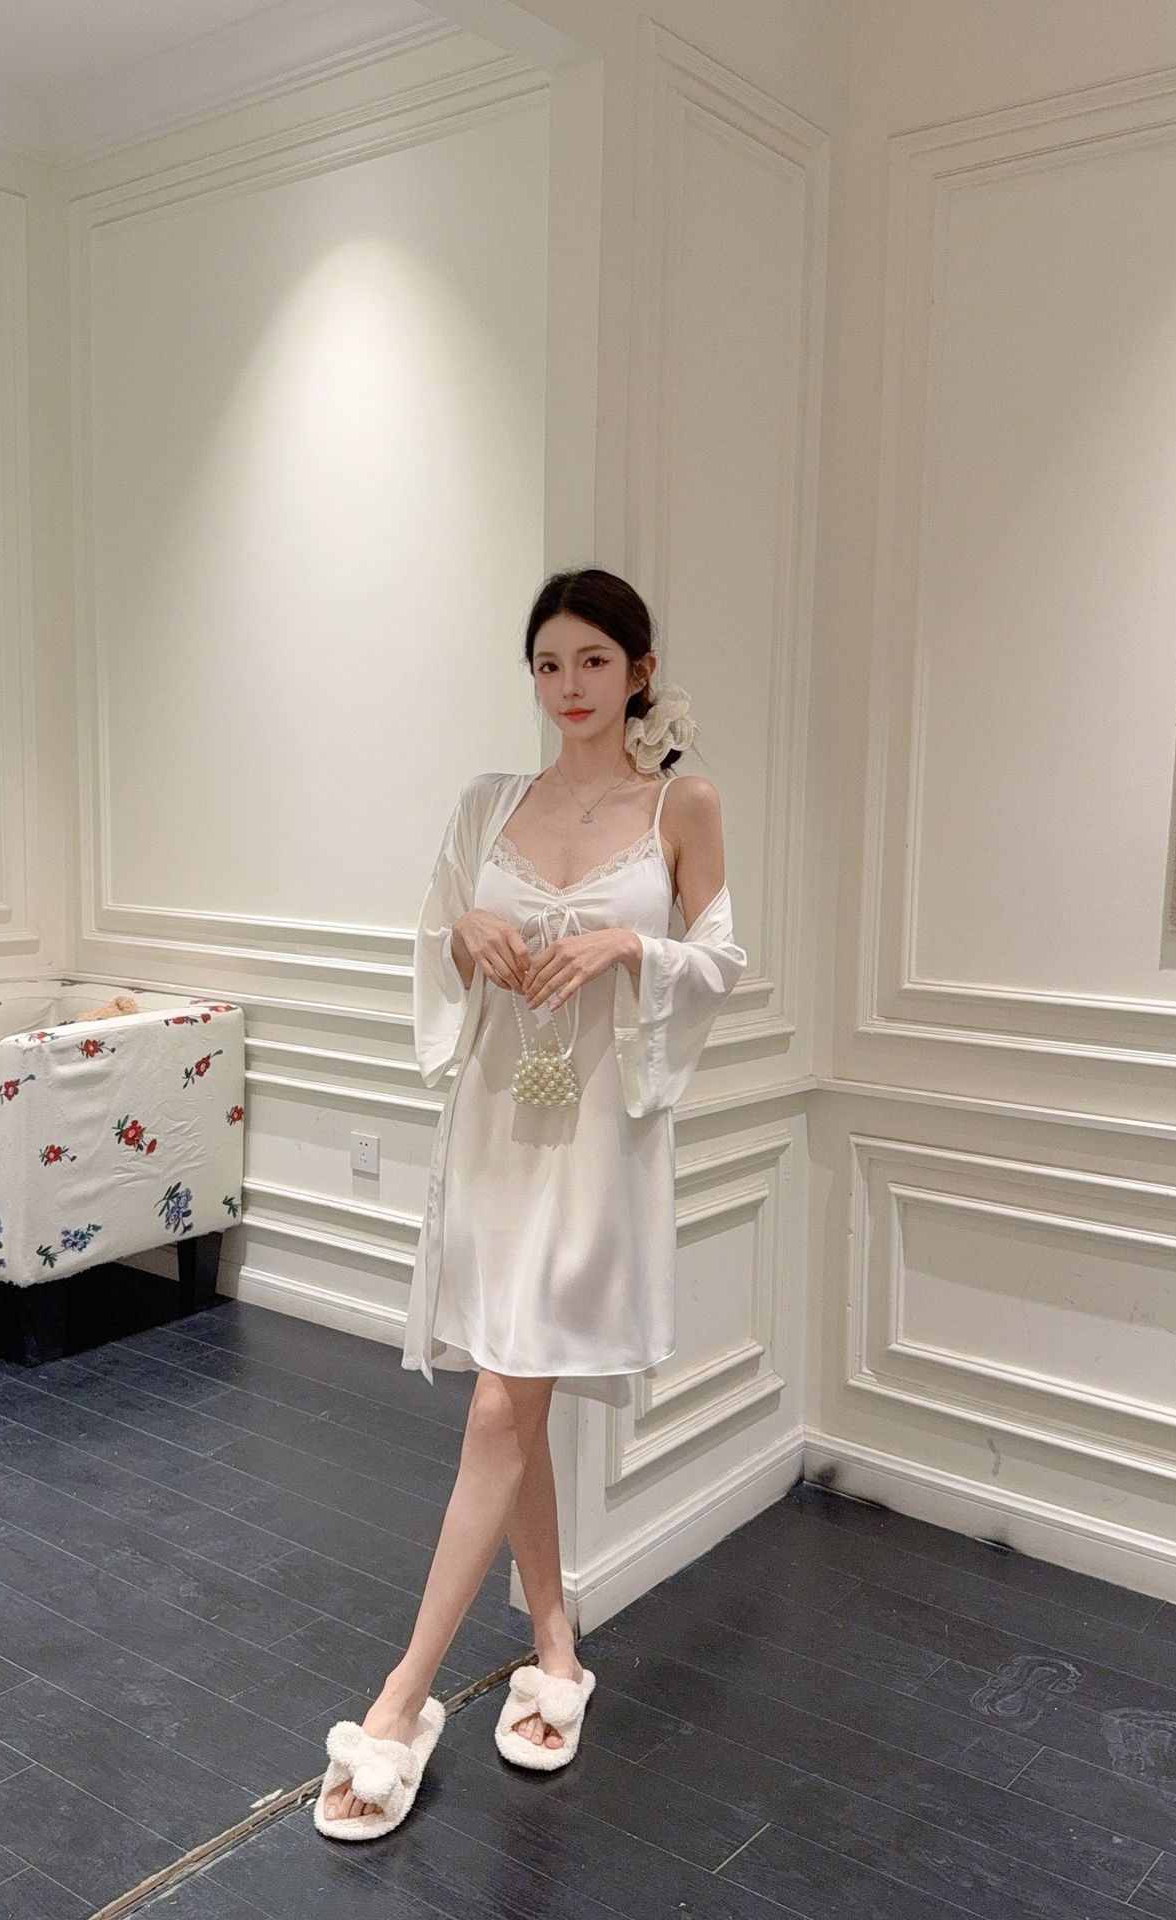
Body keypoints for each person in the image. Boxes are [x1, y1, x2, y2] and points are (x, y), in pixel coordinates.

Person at [315, 568, 748, 1837]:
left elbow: (722, 955)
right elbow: (436, 934)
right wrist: (468, 939)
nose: (569, 686)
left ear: (639, 669)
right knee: (518, 1390)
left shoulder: (683, 803)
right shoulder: (487, 803)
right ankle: (555, 1651)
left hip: (598, 1139)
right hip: (498, 1127)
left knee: (505, 1398)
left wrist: (630, 946)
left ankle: (400, 1701)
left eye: (593, 661)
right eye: (549, 664)